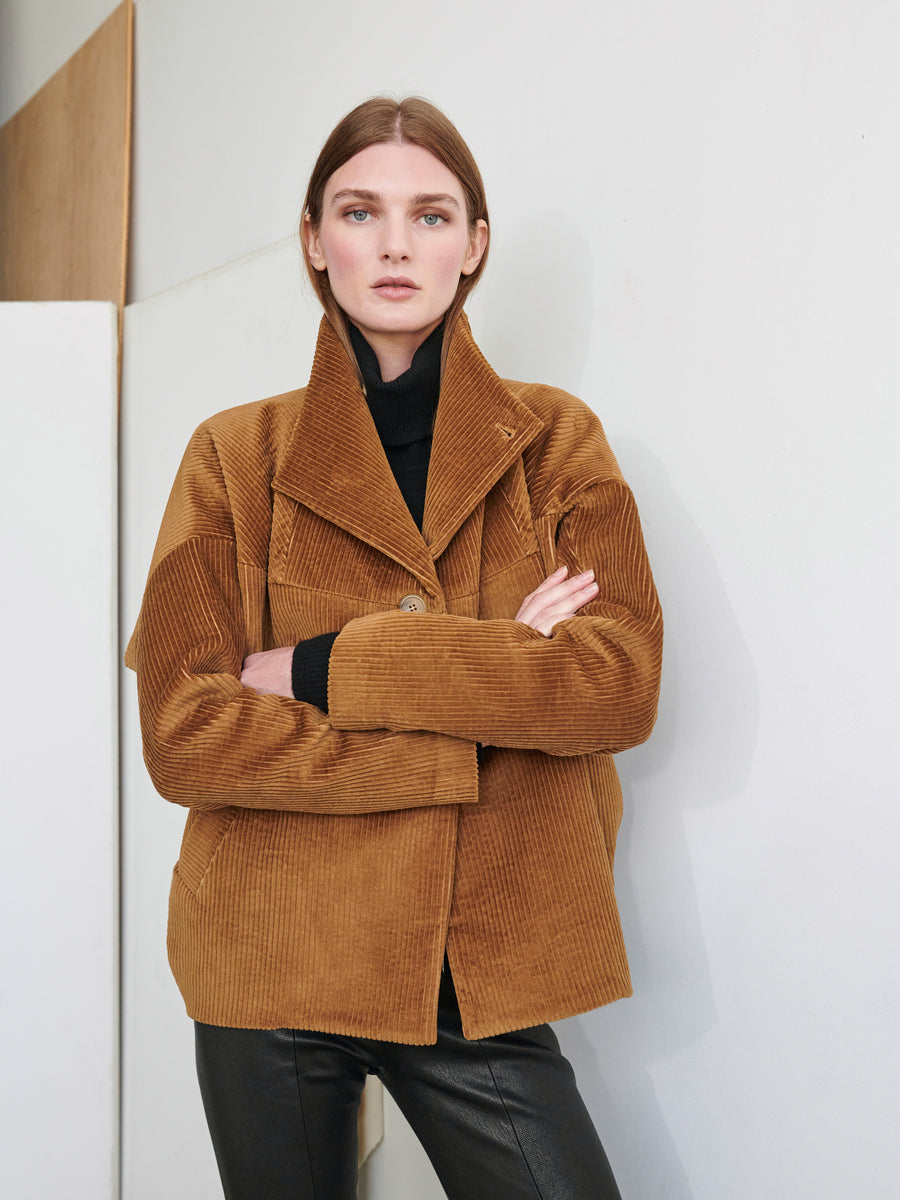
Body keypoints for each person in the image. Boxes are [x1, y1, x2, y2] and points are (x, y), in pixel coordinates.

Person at [126, 95, 663, 1200]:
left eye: (430, 215)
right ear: (316, 241)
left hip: (479, 964)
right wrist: (476, 715)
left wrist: (326, 668)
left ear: (474, 244)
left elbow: (615, 687)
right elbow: (187, 737)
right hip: (271, 955)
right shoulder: (233, 455)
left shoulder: (559, 443)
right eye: (360, 210)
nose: (393, 243)